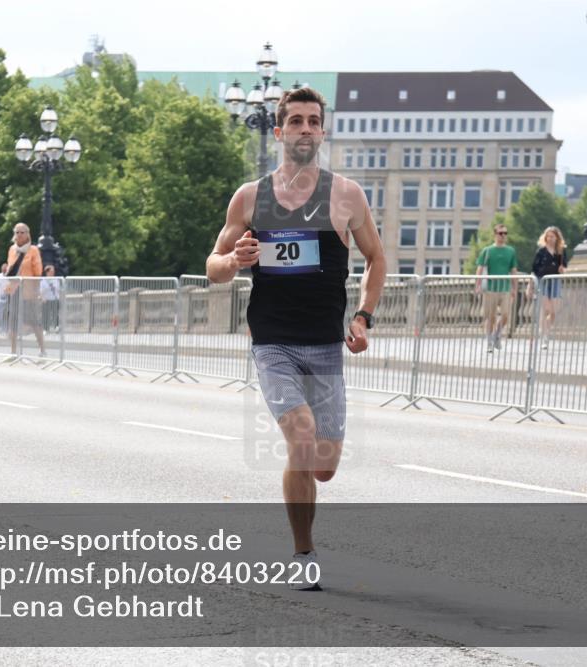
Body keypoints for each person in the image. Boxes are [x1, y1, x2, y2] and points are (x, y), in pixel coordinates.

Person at [205, 87, 385, 591]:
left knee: (323, 467)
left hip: (325, 345)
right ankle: (303, 553)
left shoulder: (346, 195)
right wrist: (234, 260)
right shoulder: (250, 197)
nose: (305, 128)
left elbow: (376, 258)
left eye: (313, 121)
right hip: (274, 343)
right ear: (279, 130)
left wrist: (363, 317)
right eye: (296, 121)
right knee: (301, 438)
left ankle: (307, 519)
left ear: (323, 132)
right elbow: (213, 266)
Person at [475, 223, 518, 353]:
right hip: (490, 288)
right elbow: (480, 268)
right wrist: (477, 285)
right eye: (500, 233)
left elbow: (513, 270)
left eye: (505, 233)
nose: (503, 235)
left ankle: (497, 334)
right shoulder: (487, 250)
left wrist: (515, 287)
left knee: (505, 315)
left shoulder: (511, 251)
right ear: (495, 234)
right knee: (490, 316)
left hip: (505, 288)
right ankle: (489, 341)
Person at [4, 223, 46, 357]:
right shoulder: (12, 249)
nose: (19, 235)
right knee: (13, 322)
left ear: (28, 234)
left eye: (22, 232)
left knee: (34, 321)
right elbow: (10, 267)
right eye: (17, 232)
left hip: (29, 290)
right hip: (14, 289)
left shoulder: (33, 250)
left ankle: (42, 350)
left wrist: (36, 290)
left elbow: (38, 271)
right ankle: (13, 351)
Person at [528, 226, 568, 350]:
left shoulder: (561, 251)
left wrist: (563, 270)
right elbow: (534, 269)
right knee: (545, 309)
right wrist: (530, 285)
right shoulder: (541, 251)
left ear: (557, 238)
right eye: (548, 236)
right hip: (542, 280)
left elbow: (564, 267)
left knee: (553, 312)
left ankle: (545, 330)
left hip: (555, 280)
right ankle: (544, 336)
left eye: (552, 236)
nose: (550, 238)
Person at [39, 265, 62, 332]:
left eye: (53, 271)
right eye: (51, 271)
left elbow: (58, 289)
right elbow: (40, 291)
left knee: (55, 314)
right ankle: (45, 328)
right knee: (46, 314)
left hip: (54, 299)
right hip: (46, 300)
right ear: (47, 272)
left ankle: (56, 327)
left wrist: (59, 297)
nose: (53, 273)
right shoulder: (43, 281)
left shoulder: (56, 280)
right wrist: (42, 298)